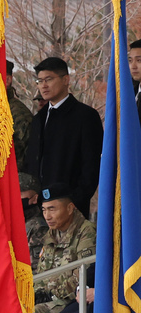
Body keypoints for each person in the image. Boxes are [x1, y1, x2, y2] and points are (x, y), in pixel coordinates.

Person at [23, 57, 104, 216]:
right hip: (38, 209)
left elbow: (91, 169)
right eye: (39, 81)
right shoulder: (39, 118)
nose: (43, 85)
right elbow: (31, 162)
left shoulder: (85, 116)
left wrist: (73, 201)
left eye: (48, 79)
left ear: (66, 79)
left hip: (70, 209)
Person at [34, 184, 96, 313]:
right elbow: (41, 272)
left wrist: (50, 294)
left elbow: (84, 274)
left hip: (70, 300)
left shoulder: (86, 231)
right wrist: (37, 293)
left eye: (52, 209)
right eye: (44, 210)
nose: (47, 216)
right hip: (47, 299)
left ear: (69, 208)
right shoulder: (51, 234)